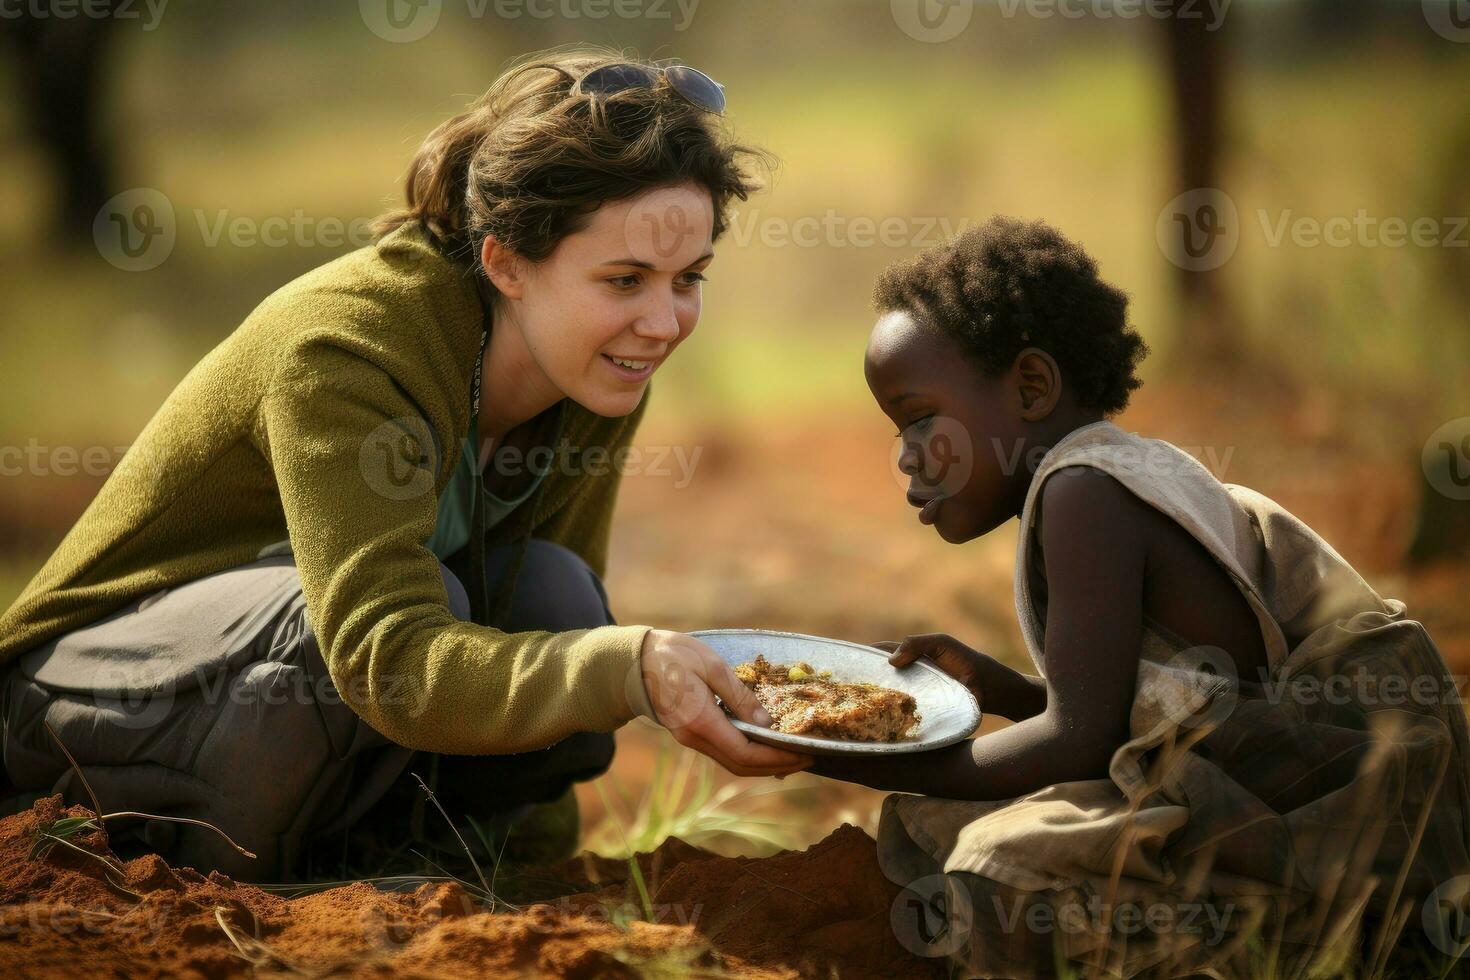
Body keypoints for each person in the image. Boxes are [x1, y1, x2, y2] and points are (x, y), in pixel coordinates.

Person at [0, 48, 813, 882]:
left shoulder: (601, 367)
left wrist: (535, 872)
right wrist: (627, 669)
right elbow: (382, 658)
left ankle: (426, 864)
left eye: (688, 279)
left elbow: (556, 648)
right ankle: (236, 879)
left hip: (270, 690)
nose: (662, 322)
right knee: (430, 618)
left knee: (555, 593)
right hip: (74, 706)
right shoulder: (350, 347)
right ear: (505, 262)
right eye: (625, 279)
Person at [811, 216, 1470, 976]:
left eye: (920, 416)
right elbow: (1163, 710)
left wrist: (850, 755)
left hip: (1300, 825)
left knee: (996, 861)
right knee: (943, 818)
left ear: (1030, 386)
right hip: (1251, 787)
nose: (906, 455)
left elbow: (1082, 743)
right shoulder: (1121, 472)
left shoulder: (1082, 495)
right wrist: (1001, 688)